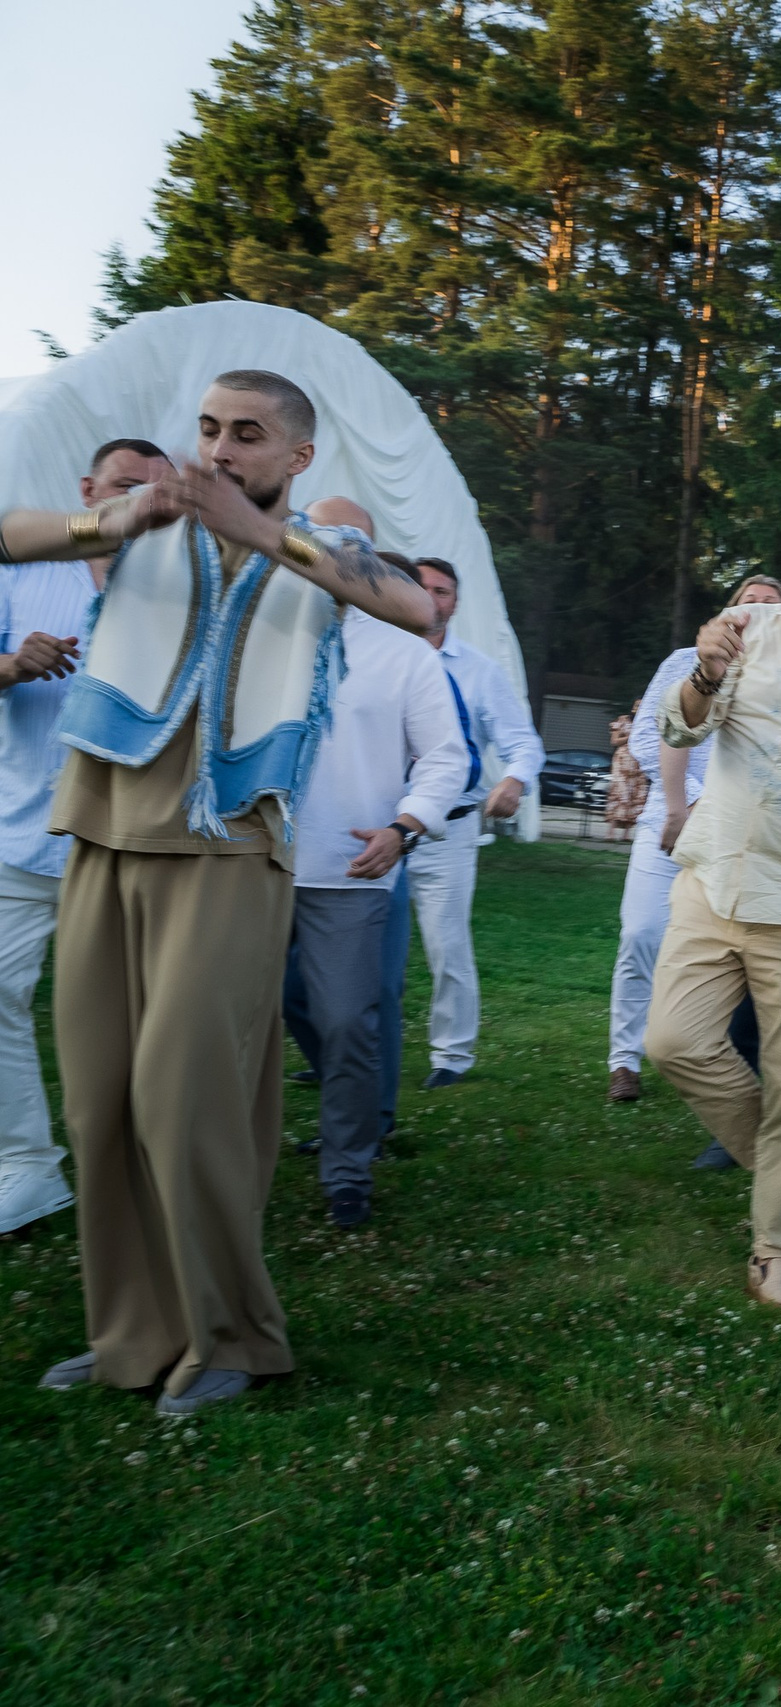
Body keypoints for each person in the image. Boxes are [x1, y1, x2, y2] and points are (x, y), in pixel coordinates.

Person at [13, 369, 434, 1416]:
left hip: (230, 846)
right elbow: (13, 534)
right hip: (105, 828)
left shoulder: (319, 549)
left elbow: (415, 605)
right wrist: (113, 510)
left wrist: (257, 526)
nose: (219, 449)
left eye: (247, 434)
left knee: (183, 1099)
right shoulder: (142, 525)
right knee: (101, 1100)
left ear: (296, 457)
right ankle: (131, 1339)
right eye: (207, 430)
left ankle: (235, 1337)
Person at [644, 512, 781, 1311]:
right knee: (674, 1040)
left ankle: (777, 1250)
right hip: (715, 877)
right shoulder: (750, 631)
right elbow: (676, 724)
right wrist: (702, 672)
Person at [0, 439, 169, 1237]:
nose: (138, 502)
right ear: (88, 489)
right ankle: (29, 1170)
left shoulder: (175, 582)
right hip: (24, 833)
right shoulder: (24, 569)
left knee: (139, 1018)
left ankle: (146, 1171)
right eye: (125, 486)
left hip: (131, 840)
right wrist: (10, 664)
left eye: (153, 492)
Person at [282, 554, 469, 1228]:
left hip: (348, 867)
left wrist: (403, 826)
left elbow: (448, 757)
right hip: (246, 864)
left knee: (347, 1024)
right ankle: (221, 1164)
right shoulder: (264, 629)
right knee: (232, 1019)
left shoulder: (404, 654)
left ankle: (347, 1173)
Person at [606, 575, 781, 1105]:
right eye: (748, 602)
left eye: (770, 603)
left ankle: (724, 1063)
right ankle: (624, 1058)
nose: (757, 610)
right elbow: (649, 733)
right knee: (641, 933)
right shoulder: (685, 660)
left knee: (738, 952)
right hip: (672, 817)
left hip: (743, 835)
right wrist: (684, 804)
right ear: (730, 611)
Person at [404, 554, 544, 1090]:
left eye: (443, 591)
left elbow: (522, 742)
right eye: (421, 588)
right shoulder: (375, 657)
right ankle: (347, 1047)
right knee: (360, 943)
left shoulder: (479, 672)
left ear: (455, 603)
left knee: (445, 945)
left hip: (448, 828)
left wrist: (514, 780)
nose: (432, 599)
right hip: (374, 825)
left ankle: (451, 1055)